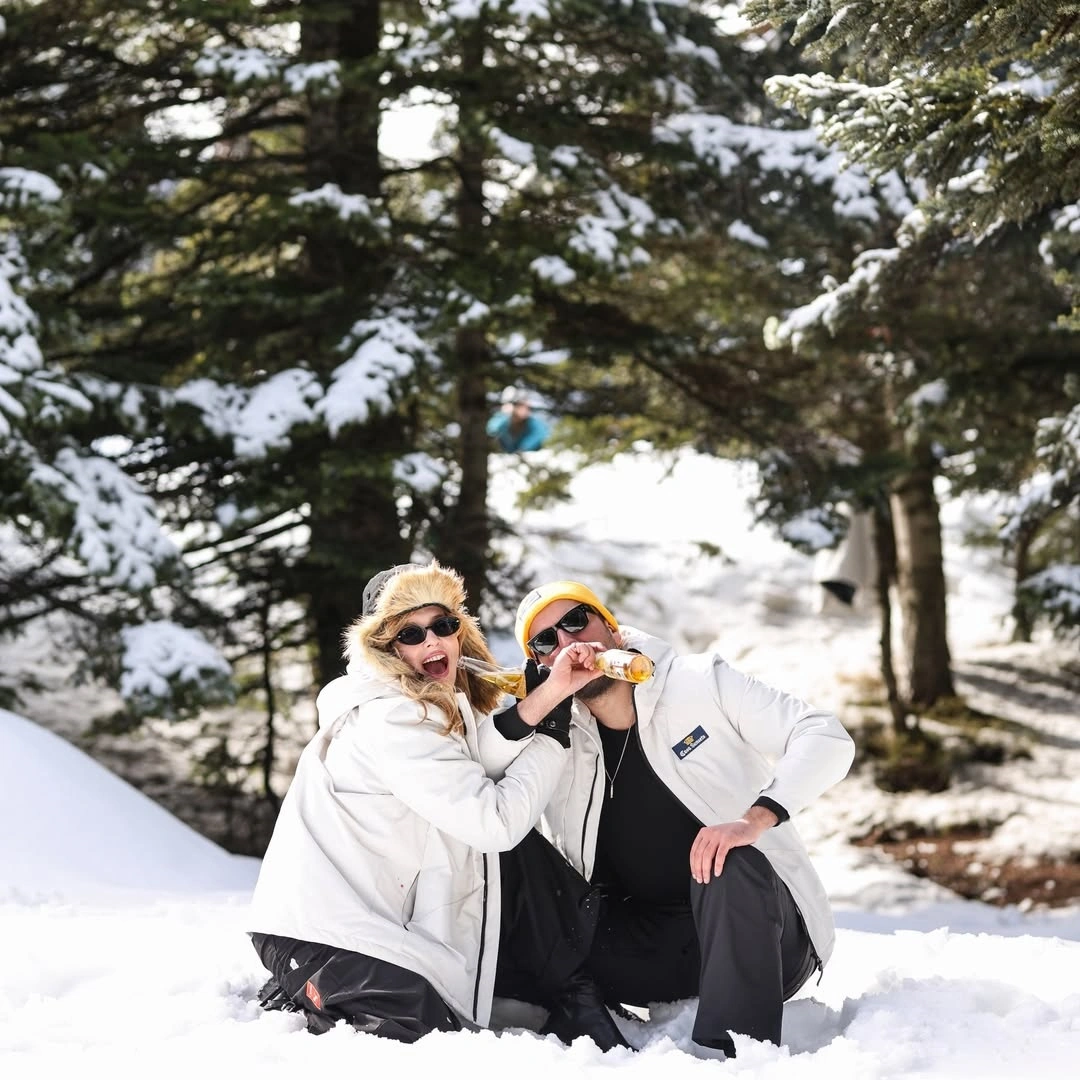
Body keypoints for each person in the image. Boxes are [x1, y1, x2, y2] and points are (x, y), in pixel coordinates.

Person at [247, 561, 629, 1050]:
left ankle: (569, 989)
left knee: (448, 1015)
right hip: (323, 933)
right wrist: (553, 735)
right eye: (411, 633)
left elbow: (472, 759)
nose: (433, 641)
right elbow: (494, 824)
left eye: (444, 625)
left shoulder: (423, 703)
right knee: (423, 1043)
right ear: (385, 647)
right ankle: (302, 990)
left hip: (364, 922)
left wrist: (549, 695)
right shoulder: (391, 719)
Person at [500, 580, 856, 1058]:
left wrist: (756, 818)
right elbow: (478, 794)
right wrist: (540, 706)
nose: (569, 642)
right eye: (547, 641)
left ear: (611, 628)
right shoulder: (553, 740)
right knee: (510, 850)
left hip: (763, 944)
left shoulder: (699, 682)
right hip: (644, 952)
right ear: (541, 666)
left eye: (576, 621)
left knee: (730, 861)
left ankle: (731, 1058)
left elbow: (824, 735)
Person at [487, 387, 550, 452]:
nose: (526, 408)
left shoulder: (535, 424)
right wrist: (504, 414)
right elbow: (491, 430)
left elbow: (542, 436)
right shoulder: (503, 421)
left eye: (526, 405)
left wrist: (522, 449)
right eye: (520, 405)